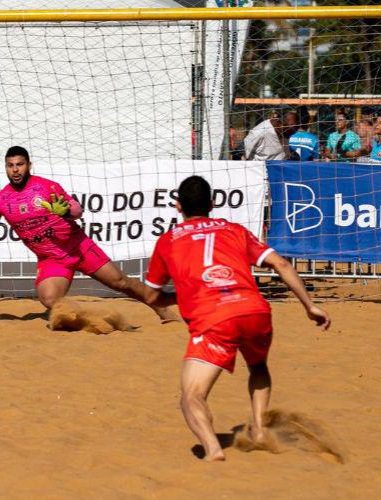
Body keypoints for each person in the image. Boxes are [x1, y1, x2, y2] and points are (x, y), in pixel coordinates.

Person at [140, 176, 331, 461]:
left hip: (215, 318)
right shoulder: (234, 230)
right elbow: (280, 263)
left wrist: (184, 294)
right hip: (255, 311)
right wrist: (310, 305)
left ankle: (213, 448)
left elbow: (152, 297)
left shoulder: (167, 241)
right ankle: (258, 428)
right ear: (213, 204)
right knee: (257, 366)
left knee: (191, 396)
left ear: (177, 206)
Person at [0, 146, 176, 320]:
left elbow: (77, 210)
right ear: (5, 168)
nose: (15, 170)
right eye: (10, 166)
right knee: (48, 298)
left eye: (20, 164)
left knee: (120, 282)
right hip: (52, 259)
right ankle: (94, 318)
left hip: (78, 247)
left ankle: (160, 307)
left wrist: (66, 211)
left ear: (29, 165)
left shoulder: (47, 187)